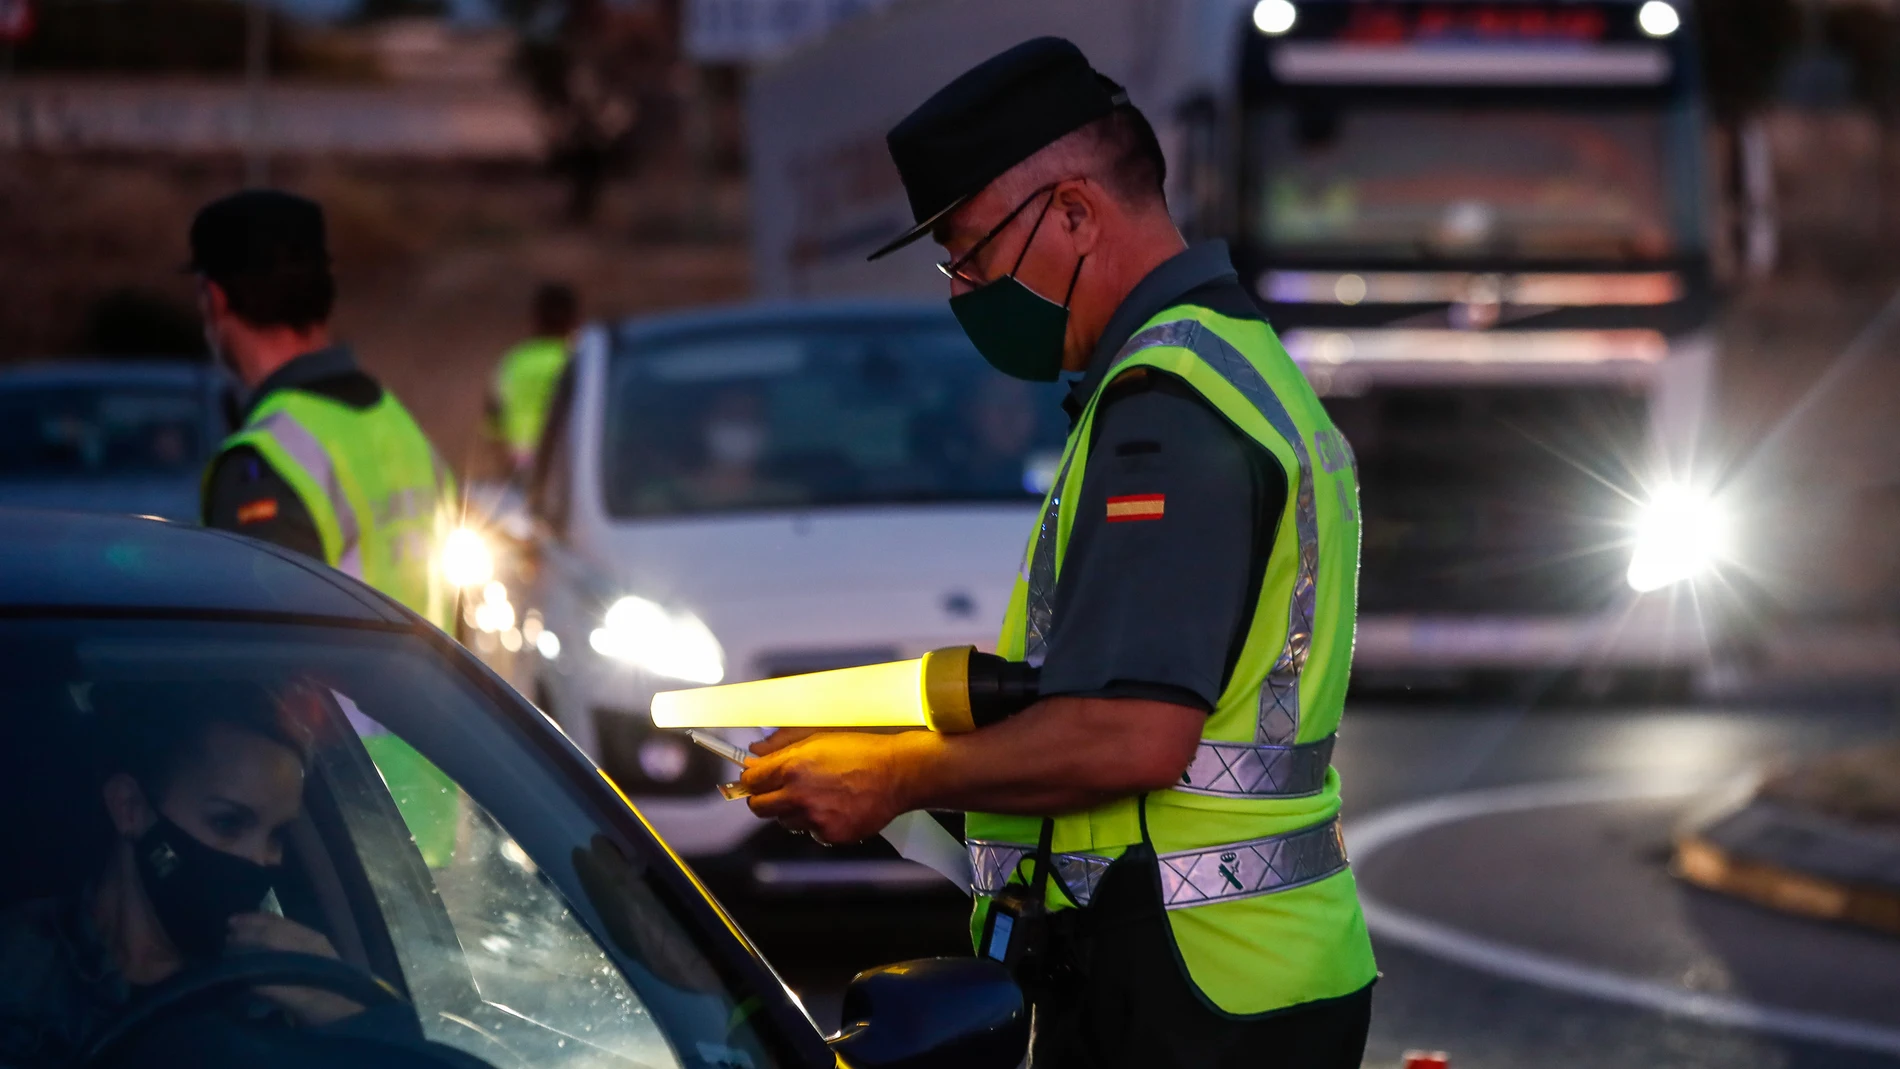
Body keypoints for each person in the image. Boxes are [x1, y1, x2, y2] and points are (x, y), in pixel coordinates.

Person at [738, 38, 1375, 1068]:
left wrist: (894, 776)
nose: (963, 289)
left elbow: (1128, 734)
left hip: (1187, 986)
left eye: (972, 252)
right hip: (1259, 970)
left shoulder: (1165, 412)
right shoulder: (1233, 364)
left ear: (1075, 213)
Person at [192, 189, 459, 865]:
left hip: (331, 823)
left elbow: (256, 675)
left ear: (216, 300)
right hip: (433, 796)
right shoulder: (396, 425)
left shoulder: (270, 458)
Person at [0, 684, 364, 1067]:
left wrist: (346, 1015)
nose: (260, 860)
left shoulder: (276, 989)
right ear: (131, 808)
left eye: (277, 835)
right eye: (228, 823)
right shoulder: (21, 967)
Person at [488, 283, 580, 477]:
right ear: (573, 320)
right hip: (571, 464)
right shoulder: (578, 359)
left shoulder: (512, 363)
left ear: (536, 319)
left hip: (521, 465)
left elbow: (493, 425)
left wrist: (507, 469)